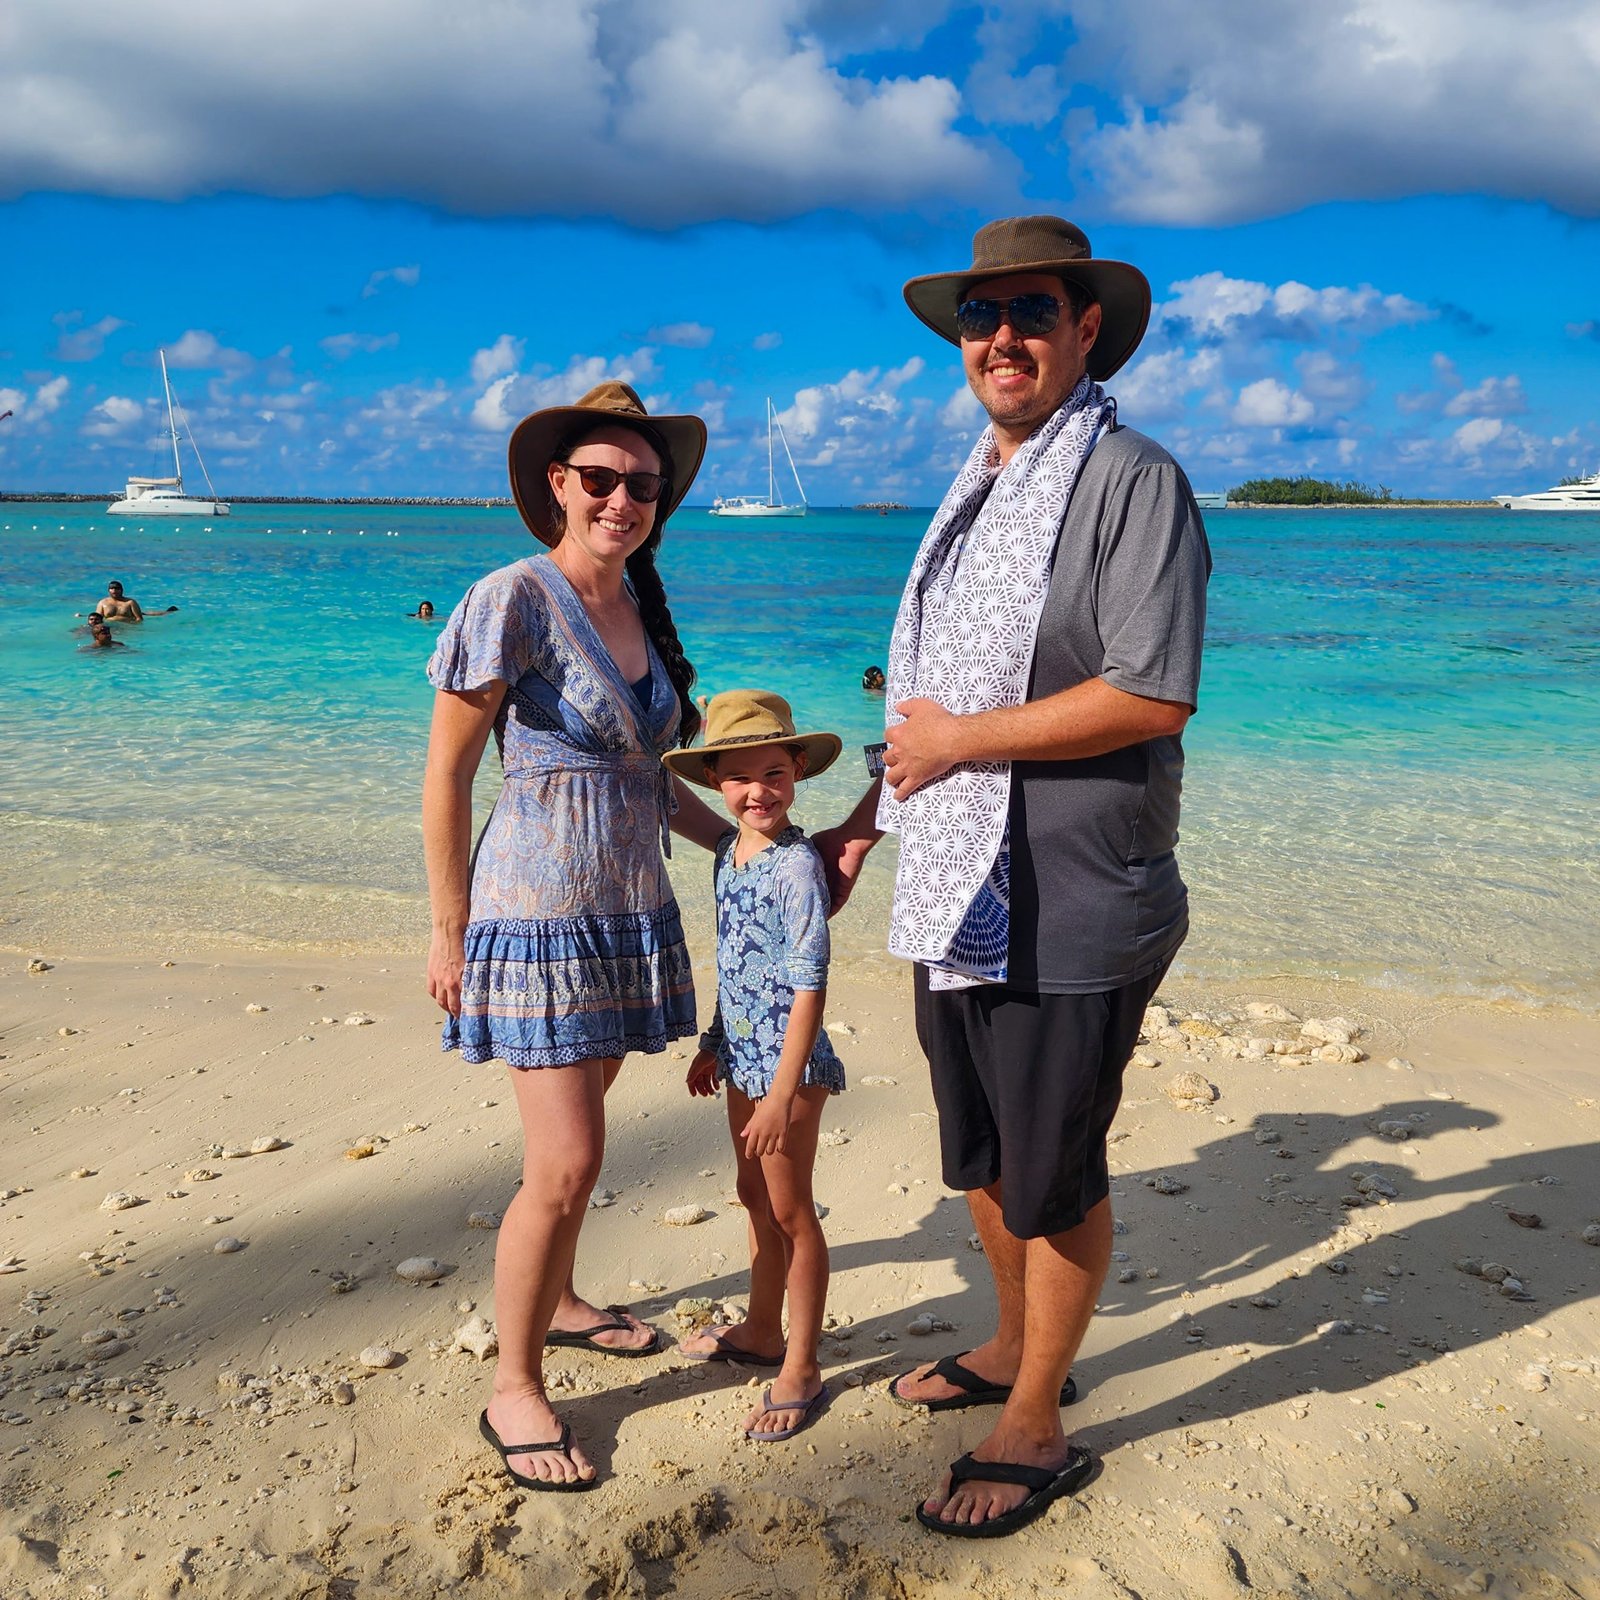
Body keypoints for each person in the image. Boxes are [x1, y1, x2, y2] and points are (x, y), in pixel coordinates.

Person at [814, 216, 1211, 1537]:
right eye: (979, 318)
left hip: (1075, 897)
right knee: (985, 1154)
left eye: (1030, 312)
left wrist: (957, 744)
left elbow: (1153, 696)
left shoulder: (1129, 480)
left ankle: (1037, 1416)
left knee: (1056, 1173)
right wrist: (872, 816)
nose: (1001, 339)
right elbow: (928, 701)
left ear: (1086, 327)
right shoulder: (978, 490)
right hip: (956, 882)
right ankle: (1008, 1343)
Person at [422, 381, 732, 1492]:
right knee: (568, 1159)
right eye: (598, 479)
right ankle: (513, 1385)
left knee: (577, 1140)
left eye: (641, 485)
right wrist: (450, 930)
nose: (620, 499)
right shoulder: (514, 597)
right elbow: (448, 775)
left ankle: (554, 1299)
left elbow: (651, 780)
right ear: (557, 484)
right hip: (537, 916)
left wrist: (748, 843)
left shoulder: (641, 609)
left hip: (622, 910)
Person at [665, 690, 846, 1442]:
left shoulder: (795, 868)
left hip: (789, 1071)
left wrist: (777, 1094)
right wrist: (714, 1039)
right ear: (715, 785)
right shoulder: (727, 859)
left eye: (773, 772)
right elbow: (735, 963)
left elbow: (809, 983)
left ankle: (799, 1364)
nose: (758, 791)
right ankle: (762, 1329)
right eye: (739, 778)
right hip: (743, 1056)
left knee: (790, 1210)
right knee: (751, 1194)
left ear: (798, 770)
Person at [81, 580, 176, 622]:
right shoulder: (103, 603)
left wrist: (134, 629)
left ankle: (168, 611)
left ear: (122, 590)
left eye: (117, 588)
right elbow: (97, 617)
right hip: (114, 626)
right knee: (145, 613)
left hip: (127, 623)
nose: (114, 590)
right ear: (108, 590)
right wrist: (83, 616)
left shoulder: (130, 602)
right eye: (112, 588)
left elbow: (139, 619)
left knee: (146, 614)